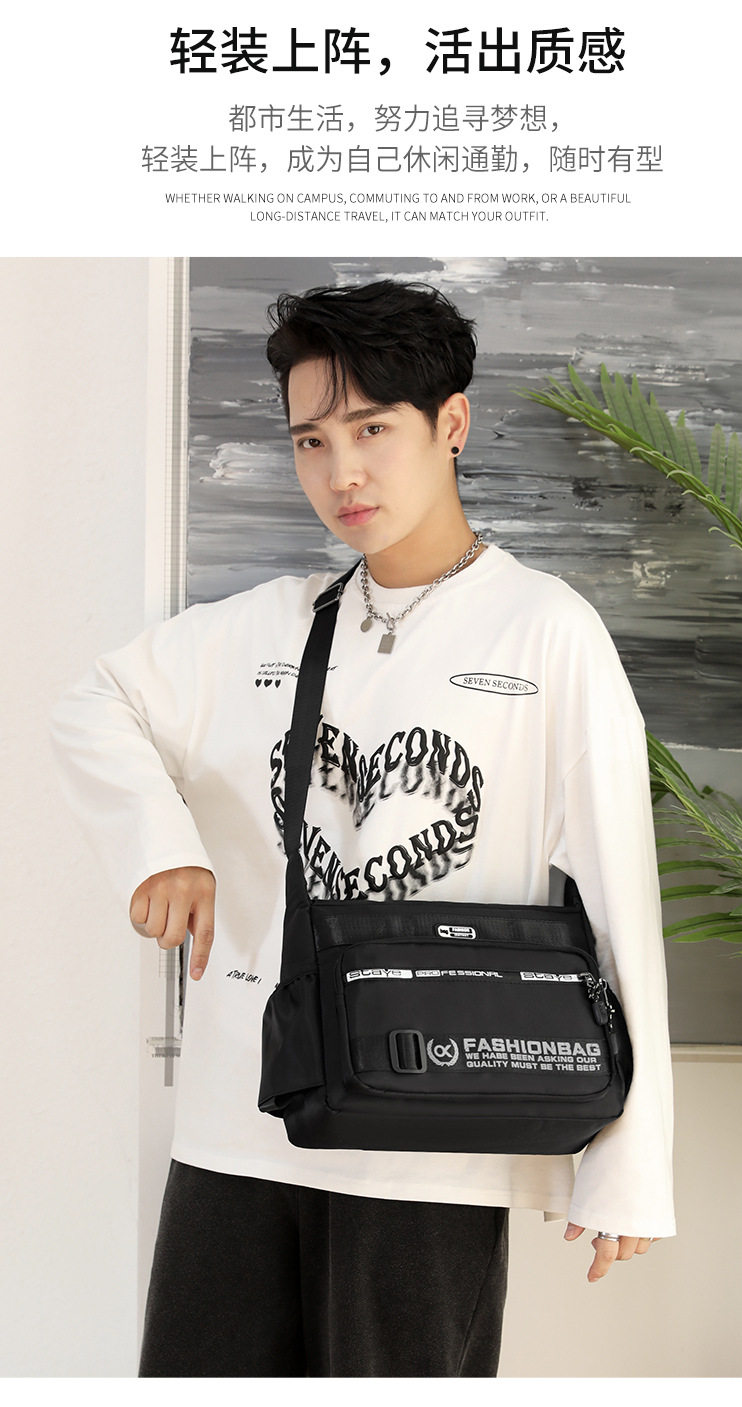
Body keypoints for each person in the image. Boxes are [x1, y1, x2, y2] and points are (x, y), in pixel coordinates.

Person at [50, 279, 675, 1378]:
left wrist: (631, 1161)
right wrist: (163, 847)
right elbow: (96, 703)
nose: (341, 471)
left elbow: (621, 898)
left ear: (450, 423)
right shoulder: (268, 625)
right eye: (311, 440)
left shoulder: (547, 634)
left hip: (433, 1149)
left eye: (373, 429)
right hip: (239, 1131)